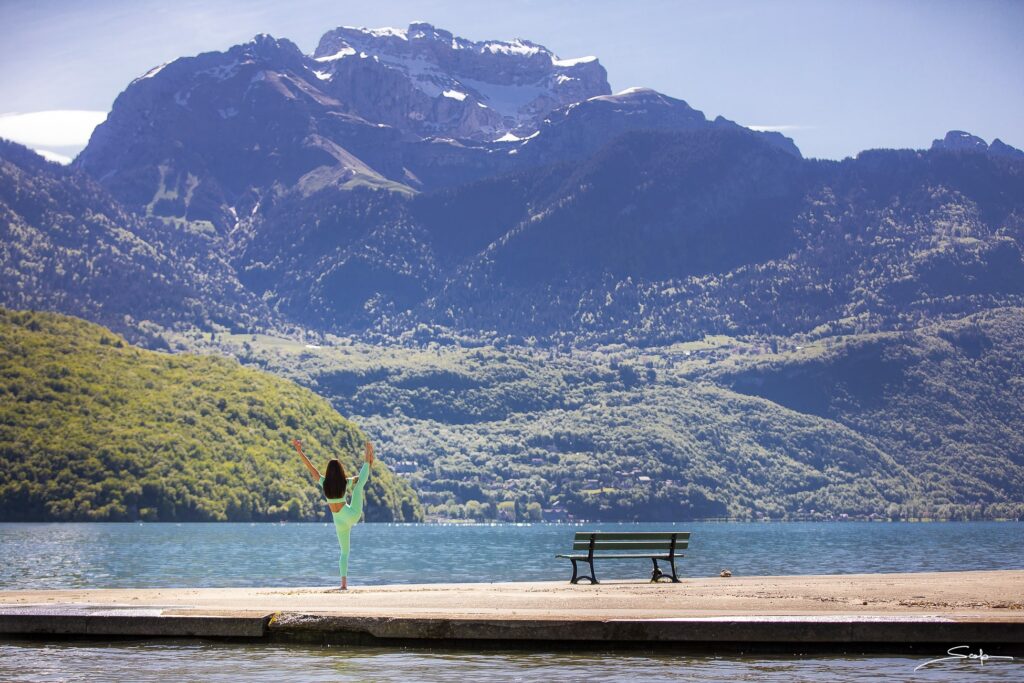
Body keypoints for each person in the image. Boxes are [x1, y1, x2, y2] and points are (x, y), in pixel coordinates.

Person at [292, 438, 374, 590]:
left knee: (344, 552)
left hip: (339, 521)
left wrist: (300, 451)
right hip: (351, 514)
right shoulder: (344, 482)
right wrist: (367, 463)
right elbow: (359, 479)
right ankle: (368, 457)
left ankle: (343, 585)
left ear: (328, 472)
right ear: (341, 470)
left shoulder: (324, 483)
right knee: (359, 486)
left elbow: (311, 468)